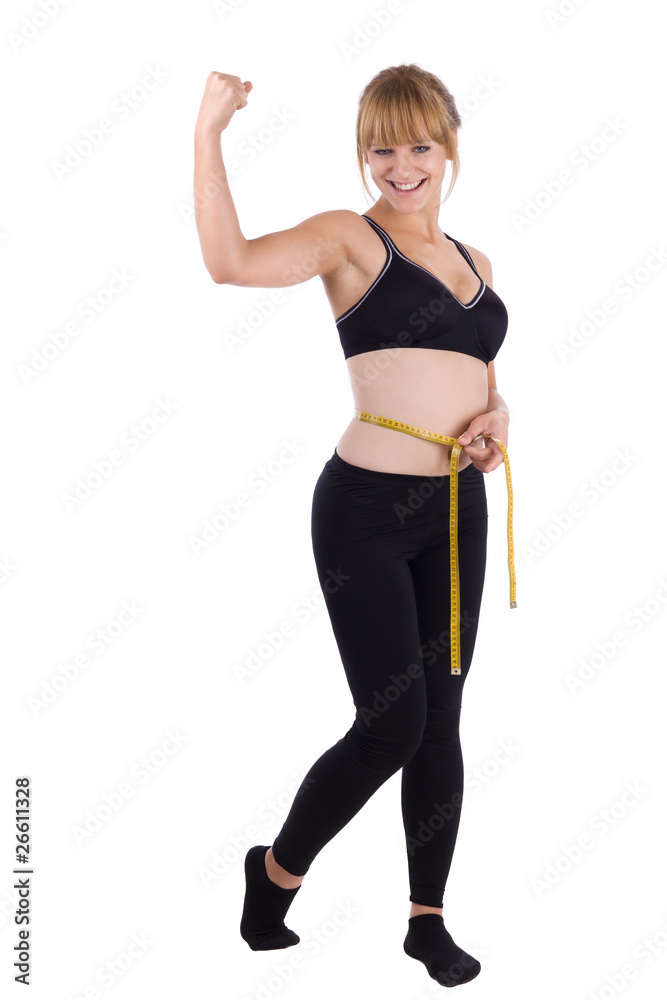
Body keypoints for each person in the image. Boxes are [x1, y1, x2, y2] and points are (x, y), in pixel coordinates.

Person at [194, 62, 514, 989]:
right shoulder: (349, 238)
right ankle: (274, 872)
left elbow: (479, 379)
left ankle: (425, 920)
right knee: (392, 726)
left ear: (448, 145)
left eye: (418, 146)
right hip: (366, 511)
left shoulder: (475, 262)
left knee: (442, 718)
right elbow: (229, 263)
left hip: (455, 511)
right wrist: (208, 134)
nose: (400, 166)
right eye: (381, 149)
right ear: (362, 154)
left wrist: (497, 421)